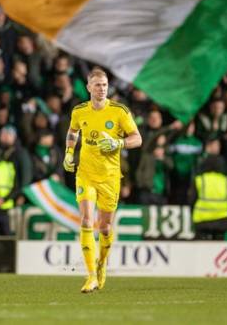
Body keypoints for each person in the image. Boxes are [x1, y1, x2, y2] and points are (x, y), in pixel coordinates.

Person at [64, 67, 142, 293]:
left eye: (105, 85)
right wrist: (69, 153)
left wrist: (119, 143)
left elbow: (137, 138)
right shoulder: (79, 111)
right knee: (87, 221)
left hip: (110, 177)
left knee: (105, 227)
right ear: (89, 87)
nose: (102, 89)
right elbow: (73, 131)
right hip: (86, 174)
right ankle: (90, 276)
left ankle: (102, 264)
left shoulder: (119, 111)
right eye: (97, 85)